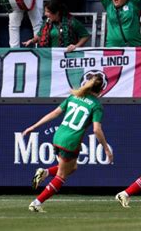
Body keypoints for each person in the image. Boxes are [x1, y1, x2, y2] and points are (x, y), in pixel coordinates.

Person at [22, 74, 114, 212]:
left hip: (58, 137)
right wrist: (106, 149)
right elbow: (96, 129)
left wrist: (34, 126)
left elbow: (54, 113)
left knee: (72, 167)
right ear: (102, 90)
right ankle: (36, 203)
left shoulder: (74, 96)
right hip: (71, 141)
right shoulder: (96, 105)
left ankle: (45, 172)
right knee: (62, 175)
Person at [22, 0, 90, 52]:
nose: (45, 14)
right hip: (50, 55)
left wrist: (75, 46)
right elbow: (40, 35)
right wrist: (31, 40)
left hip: (67, 55)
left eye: (48, 12)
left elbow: (85, 36)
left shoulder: (72, 22)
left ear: (57, 13)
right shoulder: (47, 22)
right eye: (45, 11)